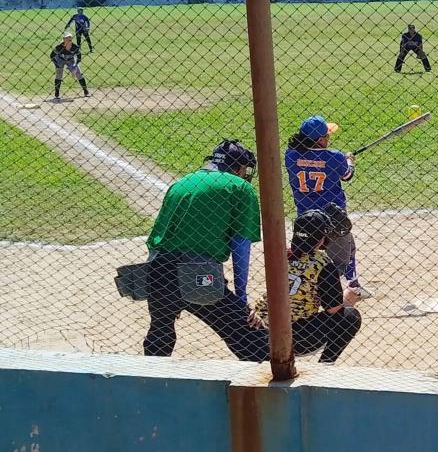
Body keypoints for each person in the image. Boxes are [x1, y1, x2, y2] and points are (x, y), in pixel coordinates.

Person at [143, 139, 267, 361]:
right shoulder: (239, 187)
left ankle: (149, 382)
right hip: (198, 274)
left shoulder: (180, 184)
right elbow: (240, 246)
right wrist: (241, 297)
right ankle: (266, 390)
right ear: (237, 167)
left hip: (157, 270)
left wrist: (171, 295)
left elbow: (155, 240)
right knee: (249, 337)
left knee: (160, 332)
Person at [248, 209, 363, 364]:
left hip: (261, 331)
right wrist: (349, 298)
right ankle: (326, 363)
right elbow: (333, 309)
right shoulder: (323, 264)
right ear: (321, 239)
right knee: (350, 316)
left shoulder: (280, 254)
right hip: (298, 336)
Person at [285, 115, 372, 299]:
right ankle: (331, 292)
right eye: (327, 135)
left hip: (306, 217)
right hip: (333, 218)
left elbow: (308, 159)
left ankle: (354, 285)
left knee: (307, 254)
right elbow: (347, 175)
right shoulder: (335, 157)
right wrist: (349, 160)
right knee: (341, 259)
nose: (329, 138)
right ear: (320, 140)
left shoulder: (290, 156)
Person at [50, 33, 89, 100]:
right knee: (59, 75)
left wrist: (75, 66)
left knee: (78, 73)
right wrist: (57, 65)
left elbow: (79, 57)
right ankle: (57, 93)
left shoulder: (75, 47)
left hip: (70, 60)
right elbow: (52, 56)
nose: (69, 39)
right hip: (60, 60)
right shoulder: (59, 47)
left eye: (70, 38)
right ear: (64, 39)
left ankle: (85, 90)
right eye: (67, 38)